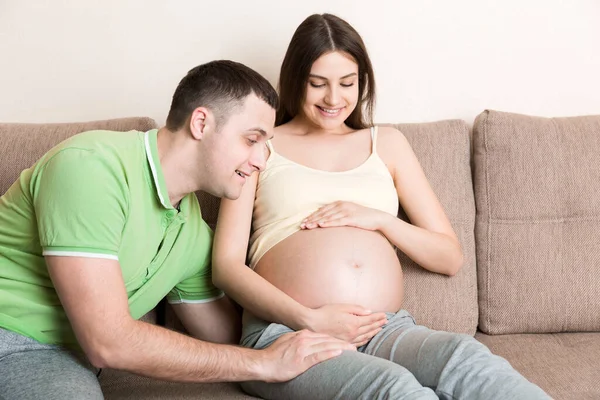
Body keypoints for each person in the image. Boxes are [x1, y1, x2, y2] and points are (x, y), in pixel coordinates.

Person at [212, 14, 550, 399]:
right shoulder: (261, 144)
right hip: (288, 332)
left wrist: (377, 220)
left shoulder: (386, 144)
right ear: (295, 80)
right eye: (317, 83)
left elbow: (448, 256)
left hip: (382, 328)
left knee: (468, 360)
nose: (333, 99)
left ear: (363, 82)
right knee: (394, 389)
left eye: (347, 83)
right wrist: (310, 318)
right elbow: (225, 267)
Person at [0, 60, 356, 399]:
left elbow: (228, 338)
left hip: (69, 357)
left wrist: (312, 340)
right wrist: (263, 363)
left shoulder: (191, 232)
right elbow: (107, 341)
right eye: (252, 140)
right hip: (11, 338)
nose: (262, 160)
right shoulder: (92, 168)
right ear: (200, 123)